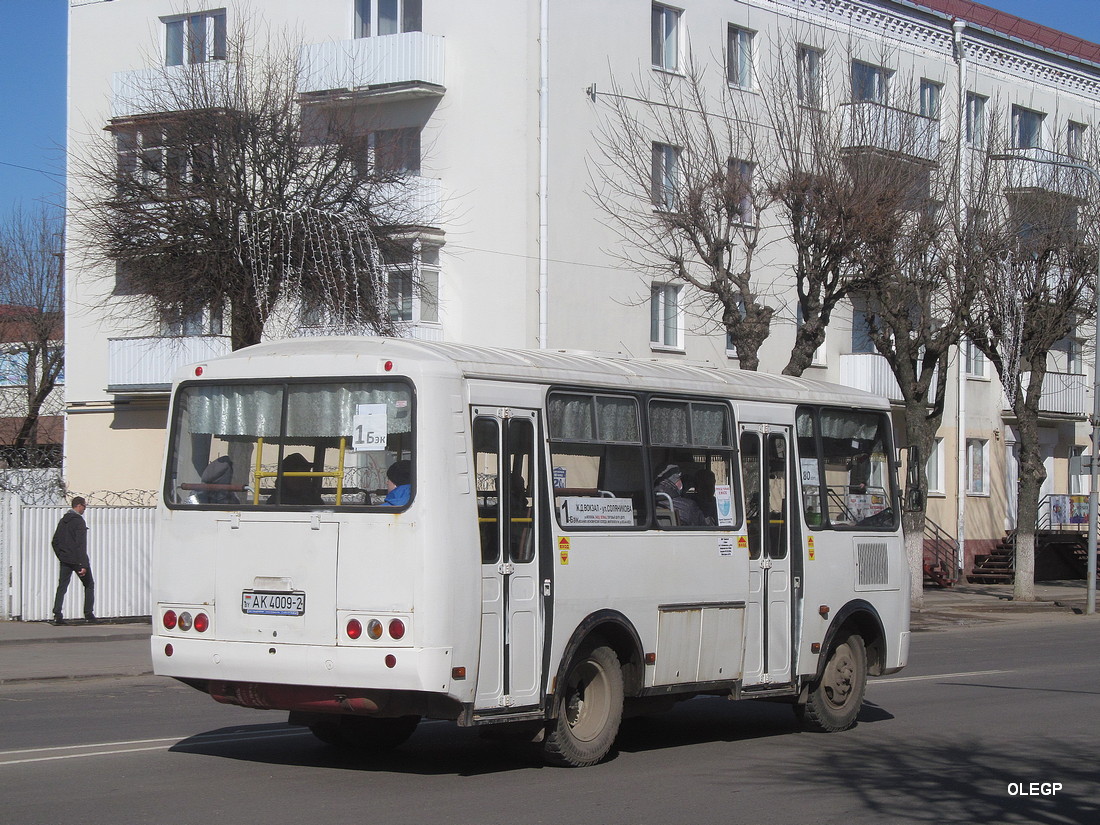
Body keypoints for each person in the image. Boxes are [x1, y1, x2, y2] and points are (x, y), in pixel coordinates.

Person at [51, 496, 96, 625]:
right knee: (89, 585)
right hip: (77, 560)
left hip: (65, 559)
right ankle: (89, 614)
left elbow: (55, 541)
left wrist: (61, 555)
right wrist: (83, 564)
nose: (85, 509)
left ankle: (57, 614)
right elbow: (80, 545)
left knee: (62, 586)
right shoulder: (79, 522)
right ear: (79, 505)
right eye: (84, 506)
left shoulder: (63, 521)